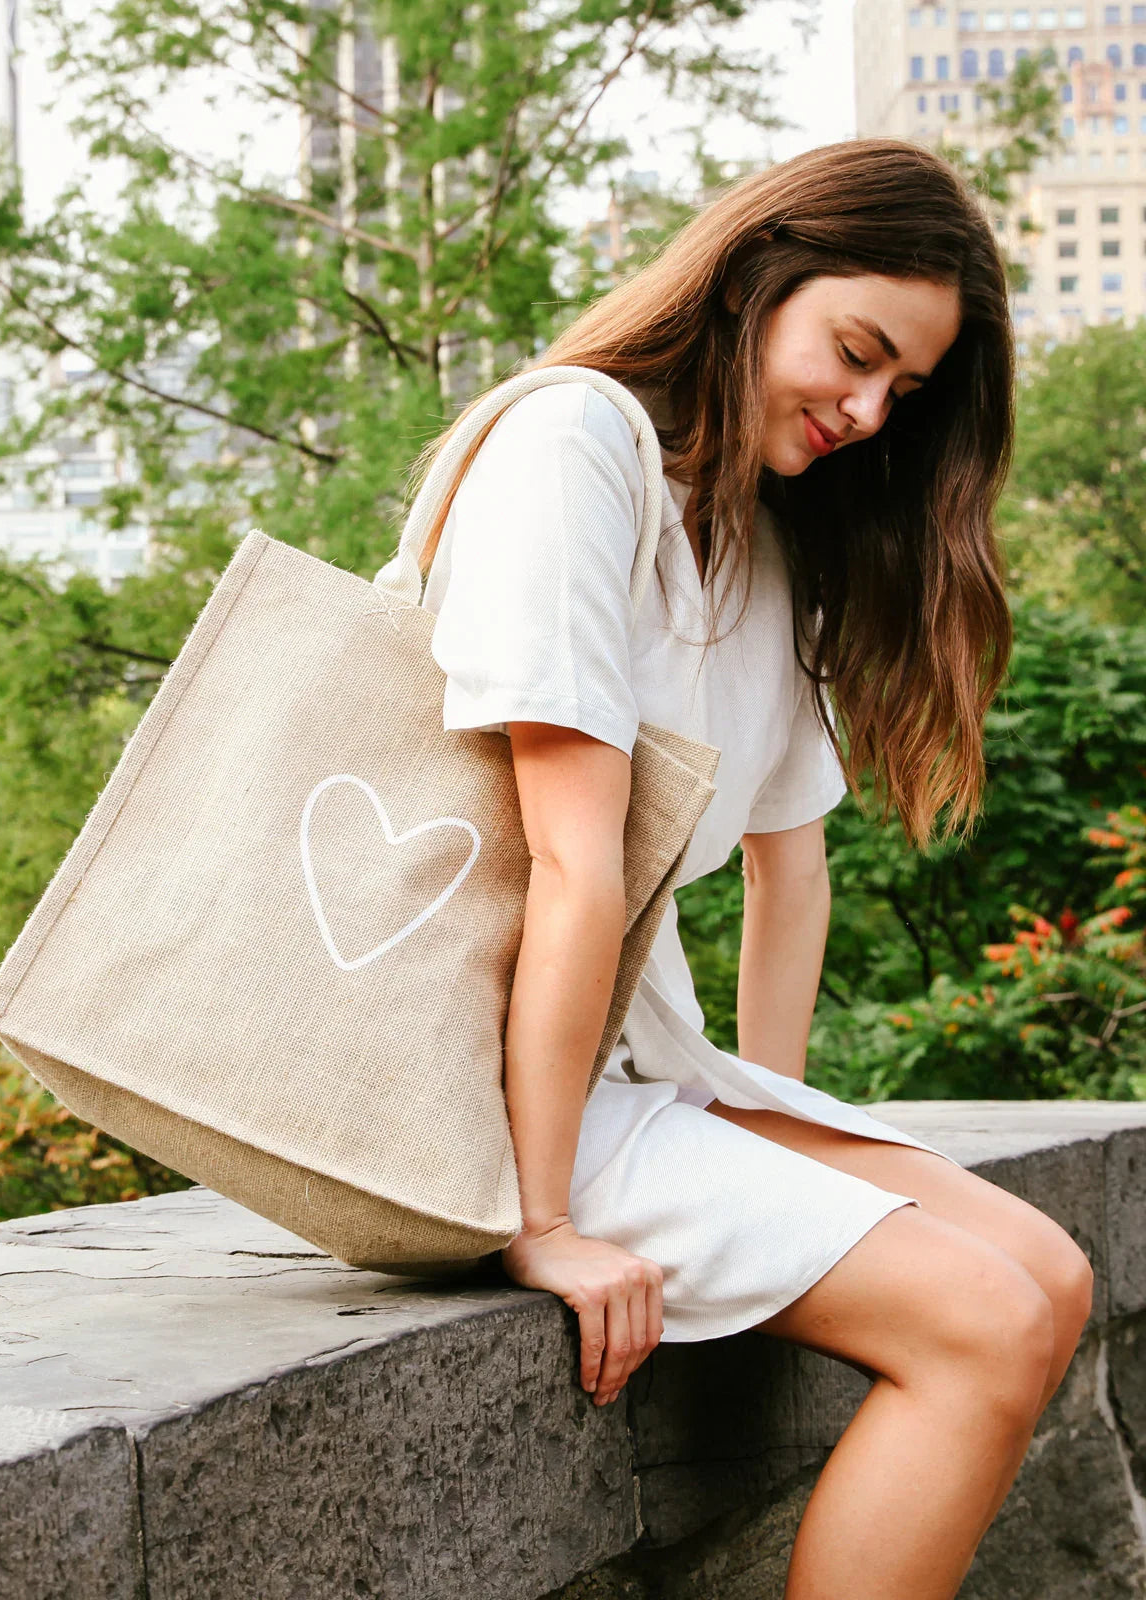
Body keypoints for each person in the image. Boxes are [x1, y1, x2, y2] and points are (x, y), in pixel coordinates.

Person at [407, 137, 1093, 1599]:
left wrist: (777, 1151)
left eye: (901, 392)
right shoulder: (572, 446)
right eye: (856, 352)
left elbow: (796, 875)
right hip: (474, 1082)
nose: (865, 409)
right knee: (977, 1321)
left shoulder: (754, 537)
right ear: (753, 273)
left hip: (636, 1069)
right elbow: (574, 865)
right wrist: (541, 1229)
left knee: (1051, 1274)